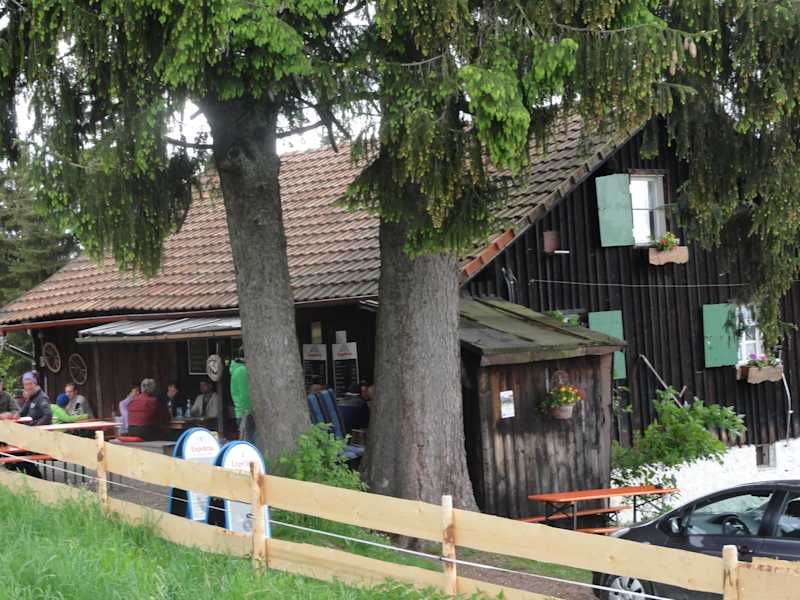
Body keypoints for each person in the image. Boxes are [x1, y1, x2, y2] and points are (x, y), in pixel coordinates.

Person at [230, 349, 254, 443]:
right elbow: (245, 395)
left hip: (242, 412)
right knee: (248, 442)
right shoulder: (242, 370)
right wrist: (249, 410)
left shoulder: (238, 369)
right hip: (245, 412)